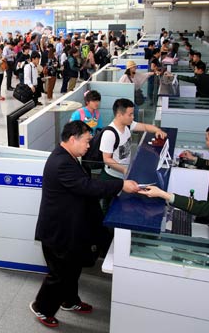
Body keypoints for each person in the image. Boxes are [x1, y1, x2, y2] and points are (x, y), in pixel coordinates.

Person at [30, 121, 139, 328]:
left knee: (73, 268)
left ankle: (69, 301)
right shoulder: (61, 162)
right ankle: (41, 308)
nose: (90, 146)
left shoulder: (69, 157)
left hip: (70, 229)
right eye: (87, 141)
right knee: (59, 275)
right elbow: (87, 186)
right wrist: (121, 185)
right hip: (58, 232)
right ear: (73, 139)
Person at [100, 98, 167, 181]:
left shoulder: (128, 125)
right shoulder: (109, 134)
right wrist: (125, 170)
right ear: (119, 115)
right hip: (113, 177)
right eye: (130, 114)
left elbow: (145, 127)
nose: (133, 117)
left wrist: (158, 130)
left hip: (125, 172)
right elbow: (107, 159)